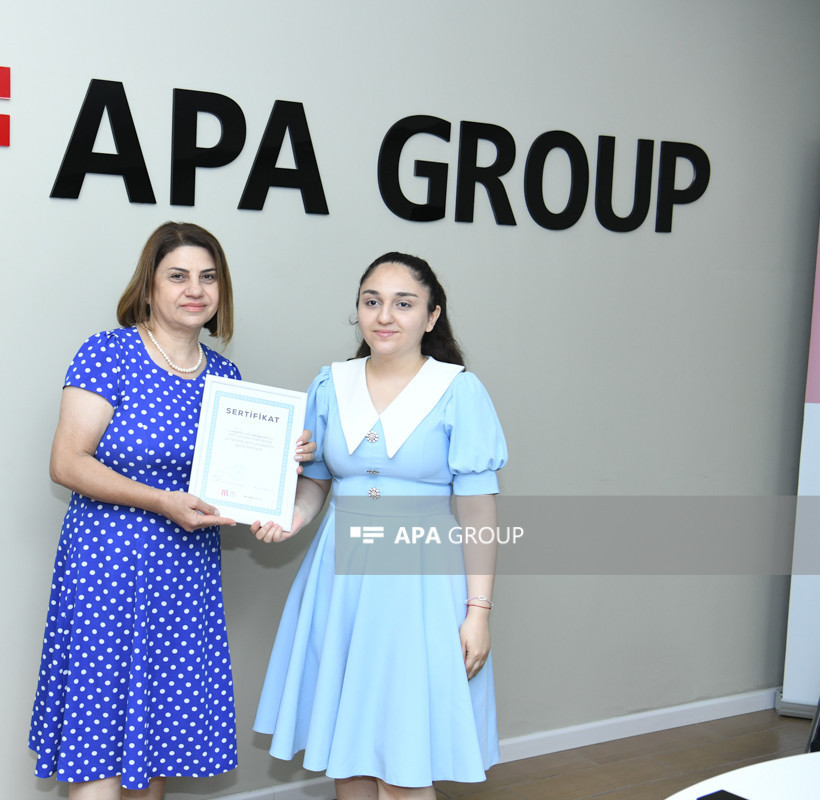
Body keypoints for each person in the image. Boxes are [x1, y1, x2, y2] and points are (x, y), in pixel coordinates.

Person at [28, 222, 314, 800]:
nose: (195, 290)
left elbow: (230, 482)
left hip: (184, 575)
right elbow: (67, 462)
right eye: (178, 276)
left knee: (156, 736)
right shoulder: (108, 353)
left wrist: (287, 459)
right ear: (150, 285)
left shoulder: (226, 377)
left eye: (208, 277)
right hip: (107, 567)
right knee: (97, 733)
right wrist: (160, 501)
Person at [250, 252, 507, 800]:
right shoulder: (330, 384)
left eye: (403, 303)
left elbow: (479, 513)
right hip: (340, 577)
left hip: (420, 581)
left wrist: (478, 612)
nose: (384, 316)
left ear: (431, 317)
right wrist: (292, 518)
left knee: (402, 763)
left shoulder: (458, 390)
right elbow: (317, 481)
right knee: (351, 755)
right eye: (372, 302)